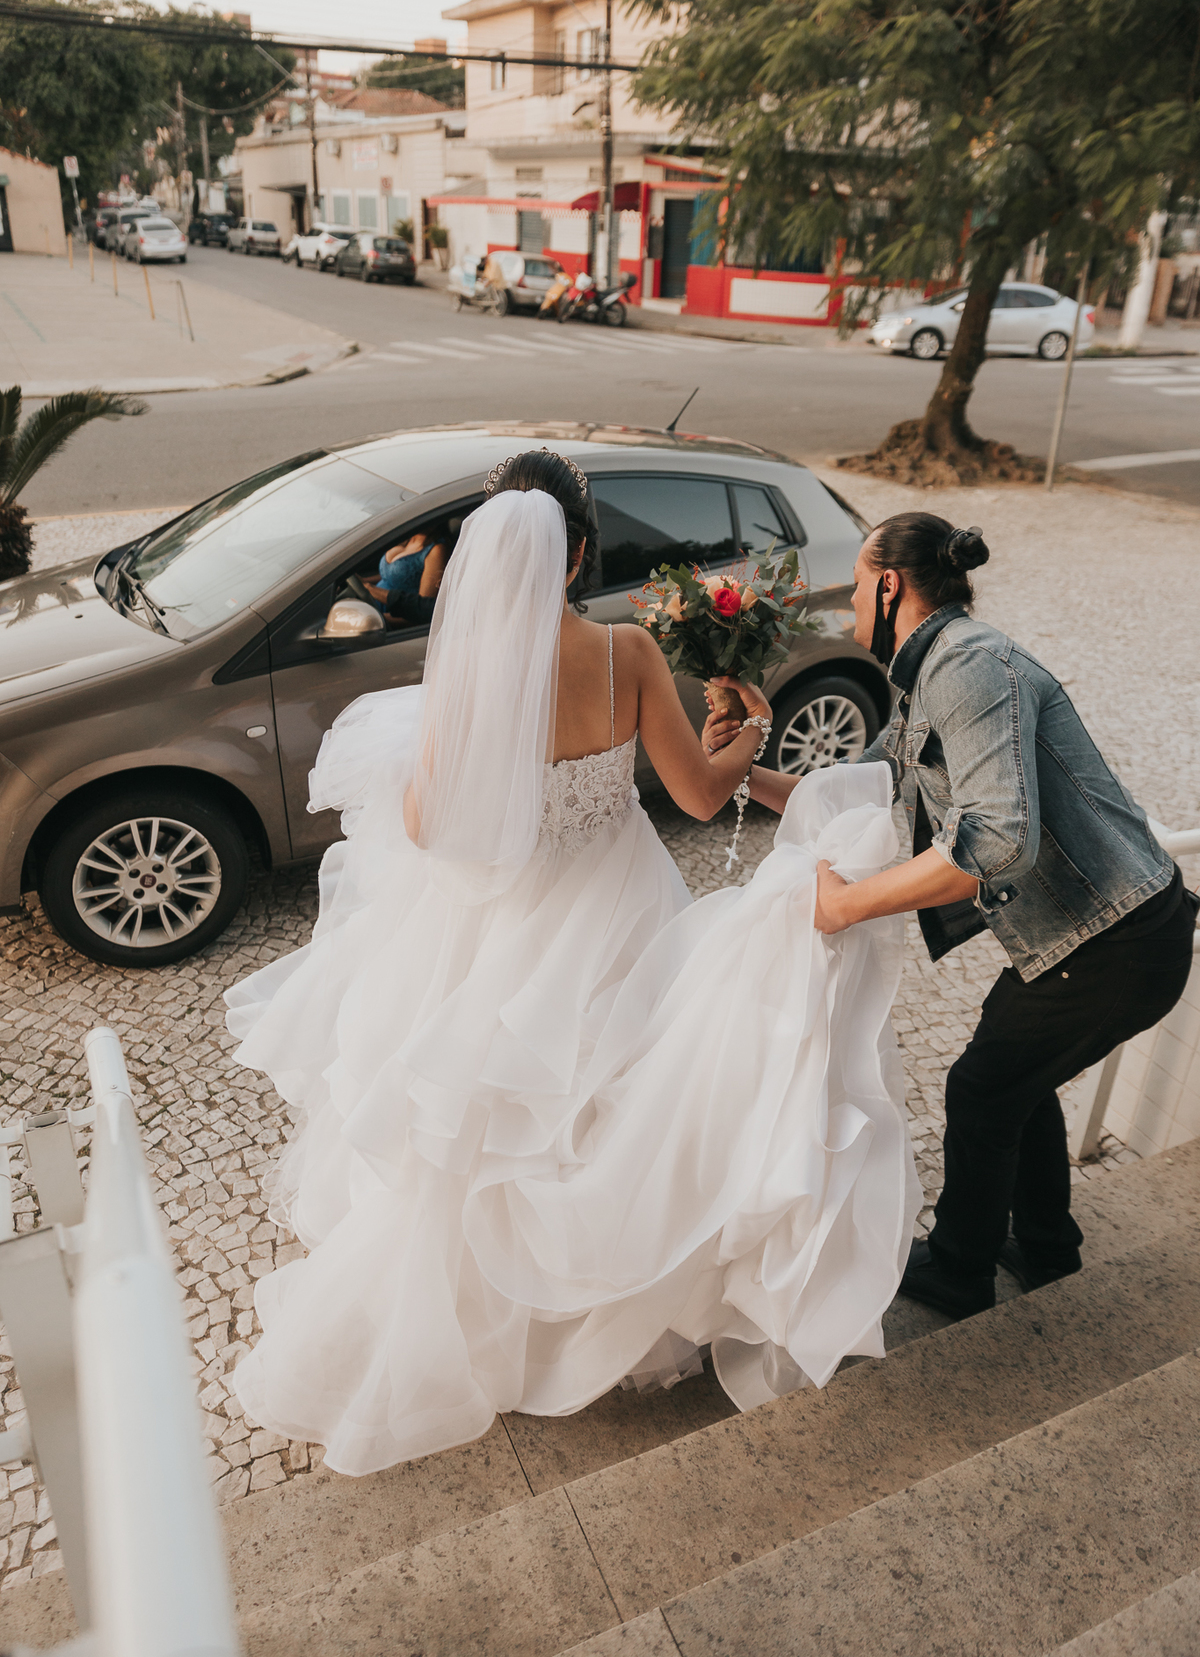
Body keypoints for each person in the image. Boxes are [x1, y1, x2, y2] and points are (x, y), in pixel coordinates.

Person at [224, 449, 919, 1475]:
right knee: (630, 1105)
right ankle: (622, 1307)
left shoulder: (466, 672)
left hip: (506, 926)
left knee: (485, 1137)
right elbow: (694, 795)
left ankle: (479, 1330)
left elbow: (426, 824)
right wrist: (752, 724)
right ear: (581, 551)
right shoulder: (624, 653)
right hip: (622, 908)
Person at [718, 511, 1195, 1322]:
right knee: (1014, 1076)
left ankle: (963, 1269)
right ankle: (1045, 1246)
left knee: (981, 1085)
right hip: (1099, 935)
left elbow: (999, 838)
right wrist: (741, 767)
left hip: (1118, 938)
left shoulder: (970, 667)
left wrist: (846, 906)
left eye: (859, 588)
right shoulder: (931, 671)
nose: (849, 611)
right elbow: (861, 790)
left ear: (890, 585)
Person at [365, 523, 450, 626]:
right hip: (372, 606)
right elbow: (391, 575)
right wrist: (363, 582)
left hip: (389, 618)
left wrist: (380, 618)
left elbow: (421, 609)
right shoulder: (408, 537)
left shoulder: (436, 550)